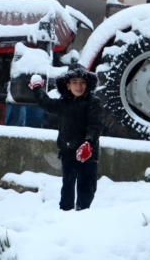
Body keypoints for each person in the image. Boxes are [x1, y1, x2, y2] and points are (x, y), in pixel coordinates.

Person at [29, 65, 104, 211]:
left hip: (87, 154)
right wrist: (37, 88)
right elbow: (46, 103)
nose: (79, 86)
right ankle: (65, 212)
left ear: (88, 84)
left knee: (87, 187)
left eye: (82, 82)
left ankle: (83, 212)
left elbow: (96, 125)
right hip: (68, 151)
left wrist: (89, 143)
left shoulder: (93, 103)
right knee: (68, 185)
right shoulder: (63, 104)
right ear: (68, 86)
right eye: (74, 82)